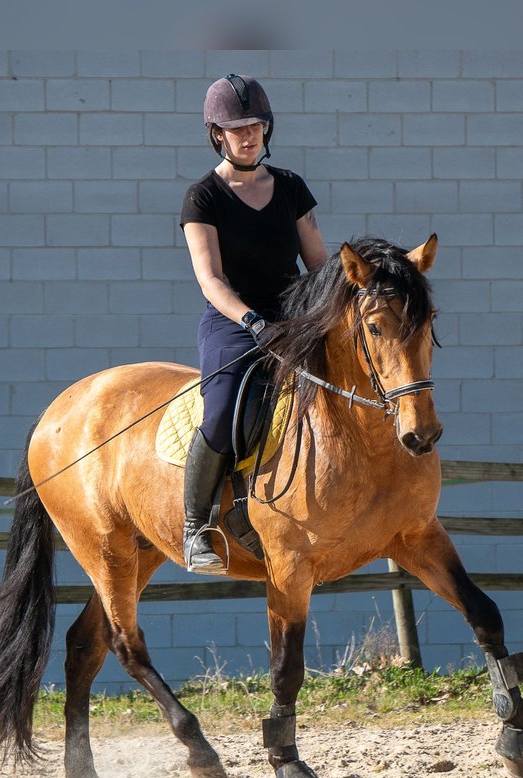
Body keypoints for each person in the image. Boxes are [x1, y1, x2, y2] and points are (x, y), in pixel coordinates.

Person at [179, 73, 328, 574]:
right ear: (217, 133)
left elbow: (320, 267)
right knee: (221, 410)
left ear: (268, 128)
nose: (248, 136)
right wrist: (252, 320)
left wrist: (329, 314)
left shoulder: (290, 188)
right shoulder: (202, 198)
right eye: (236, 128)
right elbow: (212, 280)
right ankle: (196, 527)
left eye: (256, 126)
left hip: (294, 317)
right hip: (232, 320)